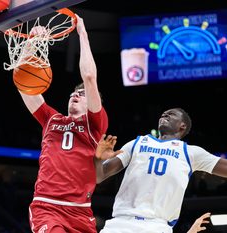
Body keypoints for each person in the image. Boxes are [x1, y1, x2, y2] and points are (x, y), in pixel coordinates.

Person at [17, 15, 120, 233]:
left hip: (81, 211)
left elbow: (90, 77)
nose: (75, 95)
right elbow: (24, 84)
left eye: (81, 94)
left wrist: (83, 33)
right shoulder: (50, 118)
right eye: (73, 93)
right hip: (47, 206)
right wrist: (31, 44)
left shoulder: (95, 124)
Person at [95, 108, 227, 233]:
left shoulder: (191, 152)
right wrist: (98, 159)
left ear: (182, 126)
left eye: (171, 114)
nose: (165, 115)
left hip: (156, 226)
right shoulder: (136, 143)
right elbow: (98, 177)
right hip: (120, 223)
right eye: (163, 114)